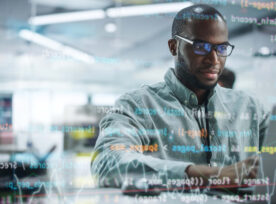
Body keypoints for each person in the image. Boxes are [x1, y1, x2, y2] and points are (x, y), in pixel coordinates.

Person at [91, 4, 269, 189]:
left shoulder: (250, 108)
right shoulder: (135, 107)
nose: (214, 59)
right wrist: (210, 175)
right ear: (174, 46)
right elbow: (107, 164)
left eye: (221, 48)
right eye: (201, 47)